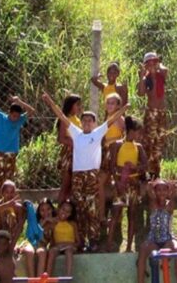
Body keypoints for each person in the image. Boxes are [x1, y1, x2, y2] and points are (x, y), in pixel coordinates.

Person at [43, 91, 128, 251]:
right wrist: (49, 101)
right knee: (79, 207)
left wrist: (124, 108)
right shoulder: (76, 133)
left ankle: (94, 240)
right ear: (81, 123)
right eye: (85, 120)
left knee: (92, 208)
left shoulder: (97, 134)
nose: (87, 122)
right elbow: (61, 116)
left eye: (91, 120)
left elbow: (112, 120)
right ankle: (80, 241)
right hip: (77, 176)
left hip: (91, 175)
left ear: (95, 124)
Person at [0, 80, 35, 197]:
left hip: (11, 152)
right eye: (13, 115)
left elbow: (32, 111)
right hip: (0, 151)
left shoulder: (20, 120)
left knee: (9, 177)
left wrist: (19, 101)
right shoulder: (1, 117)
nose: (15, 118)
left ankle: (8, 200)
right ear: (9, 113)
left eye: (17, 116)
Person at [108, 116, 148, 252]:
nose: (139, 135)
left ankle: (129, 246)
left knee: (132, 215)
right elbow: (112, 165)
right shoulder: (117, 145)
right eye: (137, 132)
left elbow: (145, 165)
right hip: (121, 185)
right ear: (130, 130)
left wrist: (135, 168)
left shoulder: (139, 147)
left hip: (133, 185)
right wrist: (117, 182)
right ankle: (109, 243)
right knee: (116, 214)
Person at [137, 180, 177, 283]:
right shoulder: (152, 204)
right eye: (158, 190)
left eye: (164, 190)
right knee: (143, 248)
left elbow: (174, 196)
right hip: (154, 239)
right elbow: (150, 192)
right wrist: (150, 186)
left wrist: (173, 189)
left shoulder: (170, 204)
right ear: (155, 192)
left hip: (168, 239)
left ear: (168, 191)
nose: (161, 193)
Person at [98, 93, 126, 241]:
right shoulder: (107, 118)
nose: (109, 106)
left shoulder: (119, 119)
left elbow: (125, 136)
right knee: (105, 184)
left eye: (113, 103)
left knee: (103, 182)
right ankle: (105, 216)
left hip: (114, 153)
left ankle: (106, 216)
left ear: (118, 106)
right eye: (108, 103)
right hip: (105, 152)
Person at [137, 52, 169, 179]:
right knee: (148, 142)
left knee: (159, 142)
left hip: (162, 113)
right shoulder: (147, 79)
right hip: (151, 113)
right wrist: (141, 76)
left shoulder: (162, 74)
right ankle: (145, 171)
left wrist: (157, 65)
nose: (151, 65)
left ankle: (155, 171)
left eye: (153, 62)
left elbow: (165, 69)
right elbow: (140, 93)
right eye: (148, 63)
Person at [0, 180, 26, 252]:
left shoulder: (18, 207)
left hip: (11, 237)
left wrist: (13, 243)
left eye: (12, 192)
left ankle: (7, 242)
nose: (9, 195)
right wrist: (6, 205)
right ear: (2, 193)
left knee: (11, 216)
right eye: (7, 192)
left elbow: (20, 226)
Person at [56, 94, 82, 203]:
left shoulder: (78, 119)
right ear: (70, 105)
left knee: (73, 186)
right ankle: (59, 210)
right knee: (65, 185)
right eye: (77, 105)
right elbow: (61, 138)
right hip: (68, 154)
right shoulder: (65, 119)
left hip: (78, 154)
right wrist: (75, 143)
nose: (80, 107)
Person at [46, 200, 79, 277]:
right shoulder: (53, 222)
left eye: (68, 212)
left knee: (68, 251)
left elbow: (78, 241)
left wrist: (70, 244)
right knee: (52, 251)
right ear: (58, 209)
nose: (64, 213)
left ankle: (68, 277)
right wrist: (46, 220)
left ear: (70, 214)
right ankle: (47, 277)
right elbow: (48, 237)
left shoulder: (72, 224)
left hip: (70, 246)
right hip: (58, 246)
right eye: (63, 209)